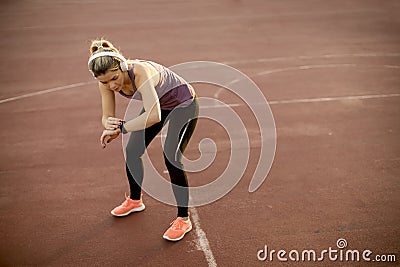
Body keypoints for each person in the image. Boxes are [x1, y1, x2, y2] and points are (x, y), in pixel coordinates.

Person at [88, 39, 198, 241]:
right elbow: (106, 116)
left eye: (114, 78)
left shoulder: (140, 72)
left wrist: (123, 127)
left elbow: (154, 115)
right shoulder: (105, 82)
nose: (111, 85)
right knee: (132, 151)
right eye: (104, 82)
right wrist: (110, 126)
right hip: (158, 106)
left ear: (122, 67)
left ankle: (183, 218)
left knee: (172, 157)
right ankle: (135, 200)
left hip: (184, 105)